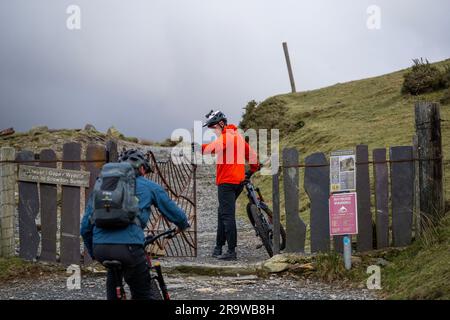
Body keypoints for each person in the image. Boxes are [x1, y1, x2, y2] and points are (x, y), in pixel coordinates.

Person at [80, 149, 190, 300]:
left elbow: (85, 227)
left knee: (113, 279)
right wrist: (182, 225)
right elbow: (176, 214)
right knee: (143, 293)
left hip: (101, 248)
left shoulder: (103, 187)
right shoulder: (149, 186)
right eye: (146, 170)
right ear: (142, 168)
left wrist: (94, 252)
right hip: (129, 247)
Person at [196, 110, 260, 261]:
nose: (213, 130)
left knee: (227, 215)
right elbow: (252, 156)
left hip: (227, 182)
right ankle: (218, 247)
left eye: (214, 127)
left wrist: (199, 148)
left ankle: (231, 251)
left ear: (221, 123)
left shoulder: (227, 137)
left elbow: (214, 148)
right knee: (222, 212)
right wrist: (251, 170)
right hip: (238, 182)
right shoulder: (237, 136)